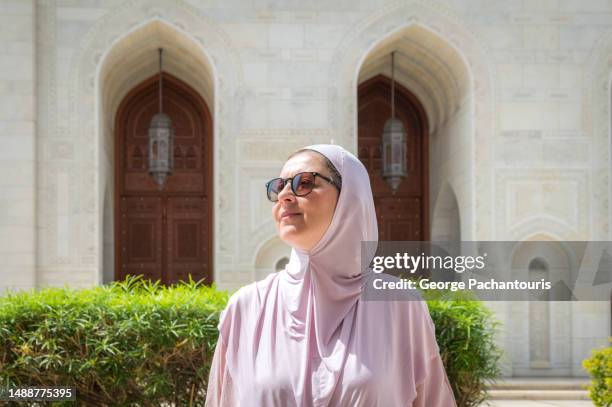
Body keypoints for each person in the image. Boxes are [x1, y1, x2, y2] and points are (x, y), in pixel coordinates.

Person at [205, 144, 457, 406]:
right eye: (279, 186)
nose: (285, 195)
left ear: (350, 197)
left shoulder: (399, 305)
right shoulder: (247, 308)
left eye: (304, 183)